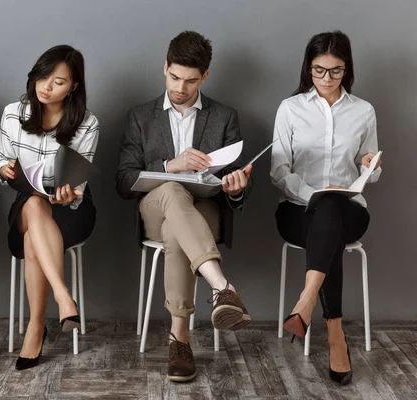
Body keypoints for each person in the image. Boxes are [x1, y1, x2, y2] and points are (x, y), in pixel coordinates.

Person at [116, 31, 253, 382]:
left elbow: (233, 188)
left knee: (176, 230)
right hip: (154, 206)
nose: (180, 87)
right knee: (174, 191)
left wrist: (237, 188)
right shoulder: (141, 117)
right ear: (165, 68)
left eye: (191, 81)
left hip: (204, 209)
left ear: (204, 77)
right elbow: (123, 181)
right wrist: (168, 167)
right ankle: (222, 288)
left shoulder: (224, 117)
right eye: (174, 77)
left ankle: (180, 340)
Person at [270, 30, 382, 385]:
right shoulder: (290, 109)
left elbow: (371, 172)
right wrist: (311, 194)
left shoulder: (363, 111)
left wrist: (369, 166)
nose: (327, 79)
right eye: (319, 70)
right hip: (296, 210)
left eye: (335, 71)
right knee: (326, 213)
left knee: (333, 206)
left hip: (351, 212)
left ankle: (305, 301)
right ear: (309, 67)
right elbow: (278, 170)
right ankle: (336, 336)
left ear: (346, 69)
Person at [0, 45, 99, 371]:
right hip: (27, 202)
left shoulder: (87, 123)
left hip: (70, 211)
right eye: (43, 77)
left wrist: (69, 195)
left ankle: (36, 327)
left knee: (32, 237)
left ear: (74, 87)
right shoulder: (13, 112)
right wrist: (3, 169)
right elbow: (1, 159)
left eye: (58, 82)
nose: (46, 86)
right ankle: (63, 297)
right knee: (34, 203)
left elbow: (79, 185)